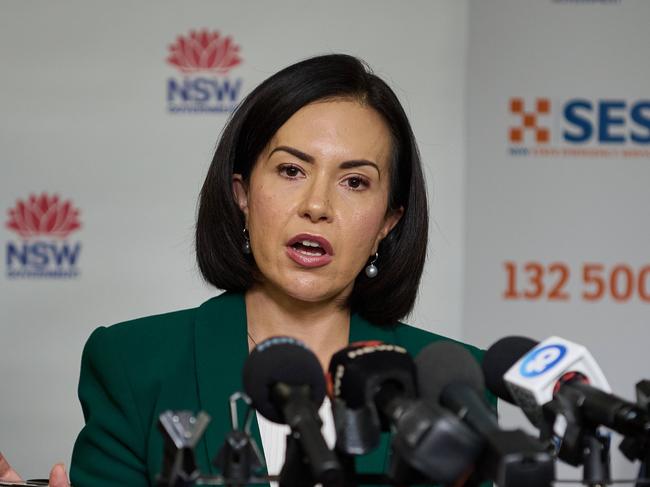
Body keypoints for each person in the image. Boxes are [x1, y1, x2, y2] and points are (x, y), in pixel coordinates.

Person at [0, 54, 489, 486]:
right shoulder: (134, 363)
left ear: (388, 221)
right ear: (242, 194)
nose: (317, 205)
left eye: (355, 181)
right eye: (291, 170)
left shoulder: (454, 383)